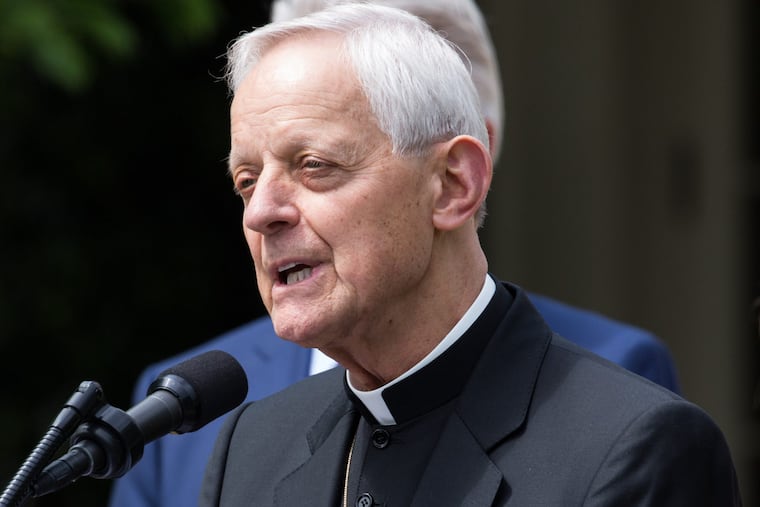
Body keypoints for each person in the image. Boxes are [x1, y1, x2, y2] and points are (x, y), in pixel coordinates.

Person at [107, 1, 681, 506]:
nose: (261, 213)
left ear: (453, 184)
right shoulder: (249, 444)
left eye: (314, 166)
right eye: (247, 181)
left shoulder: (632, 443)